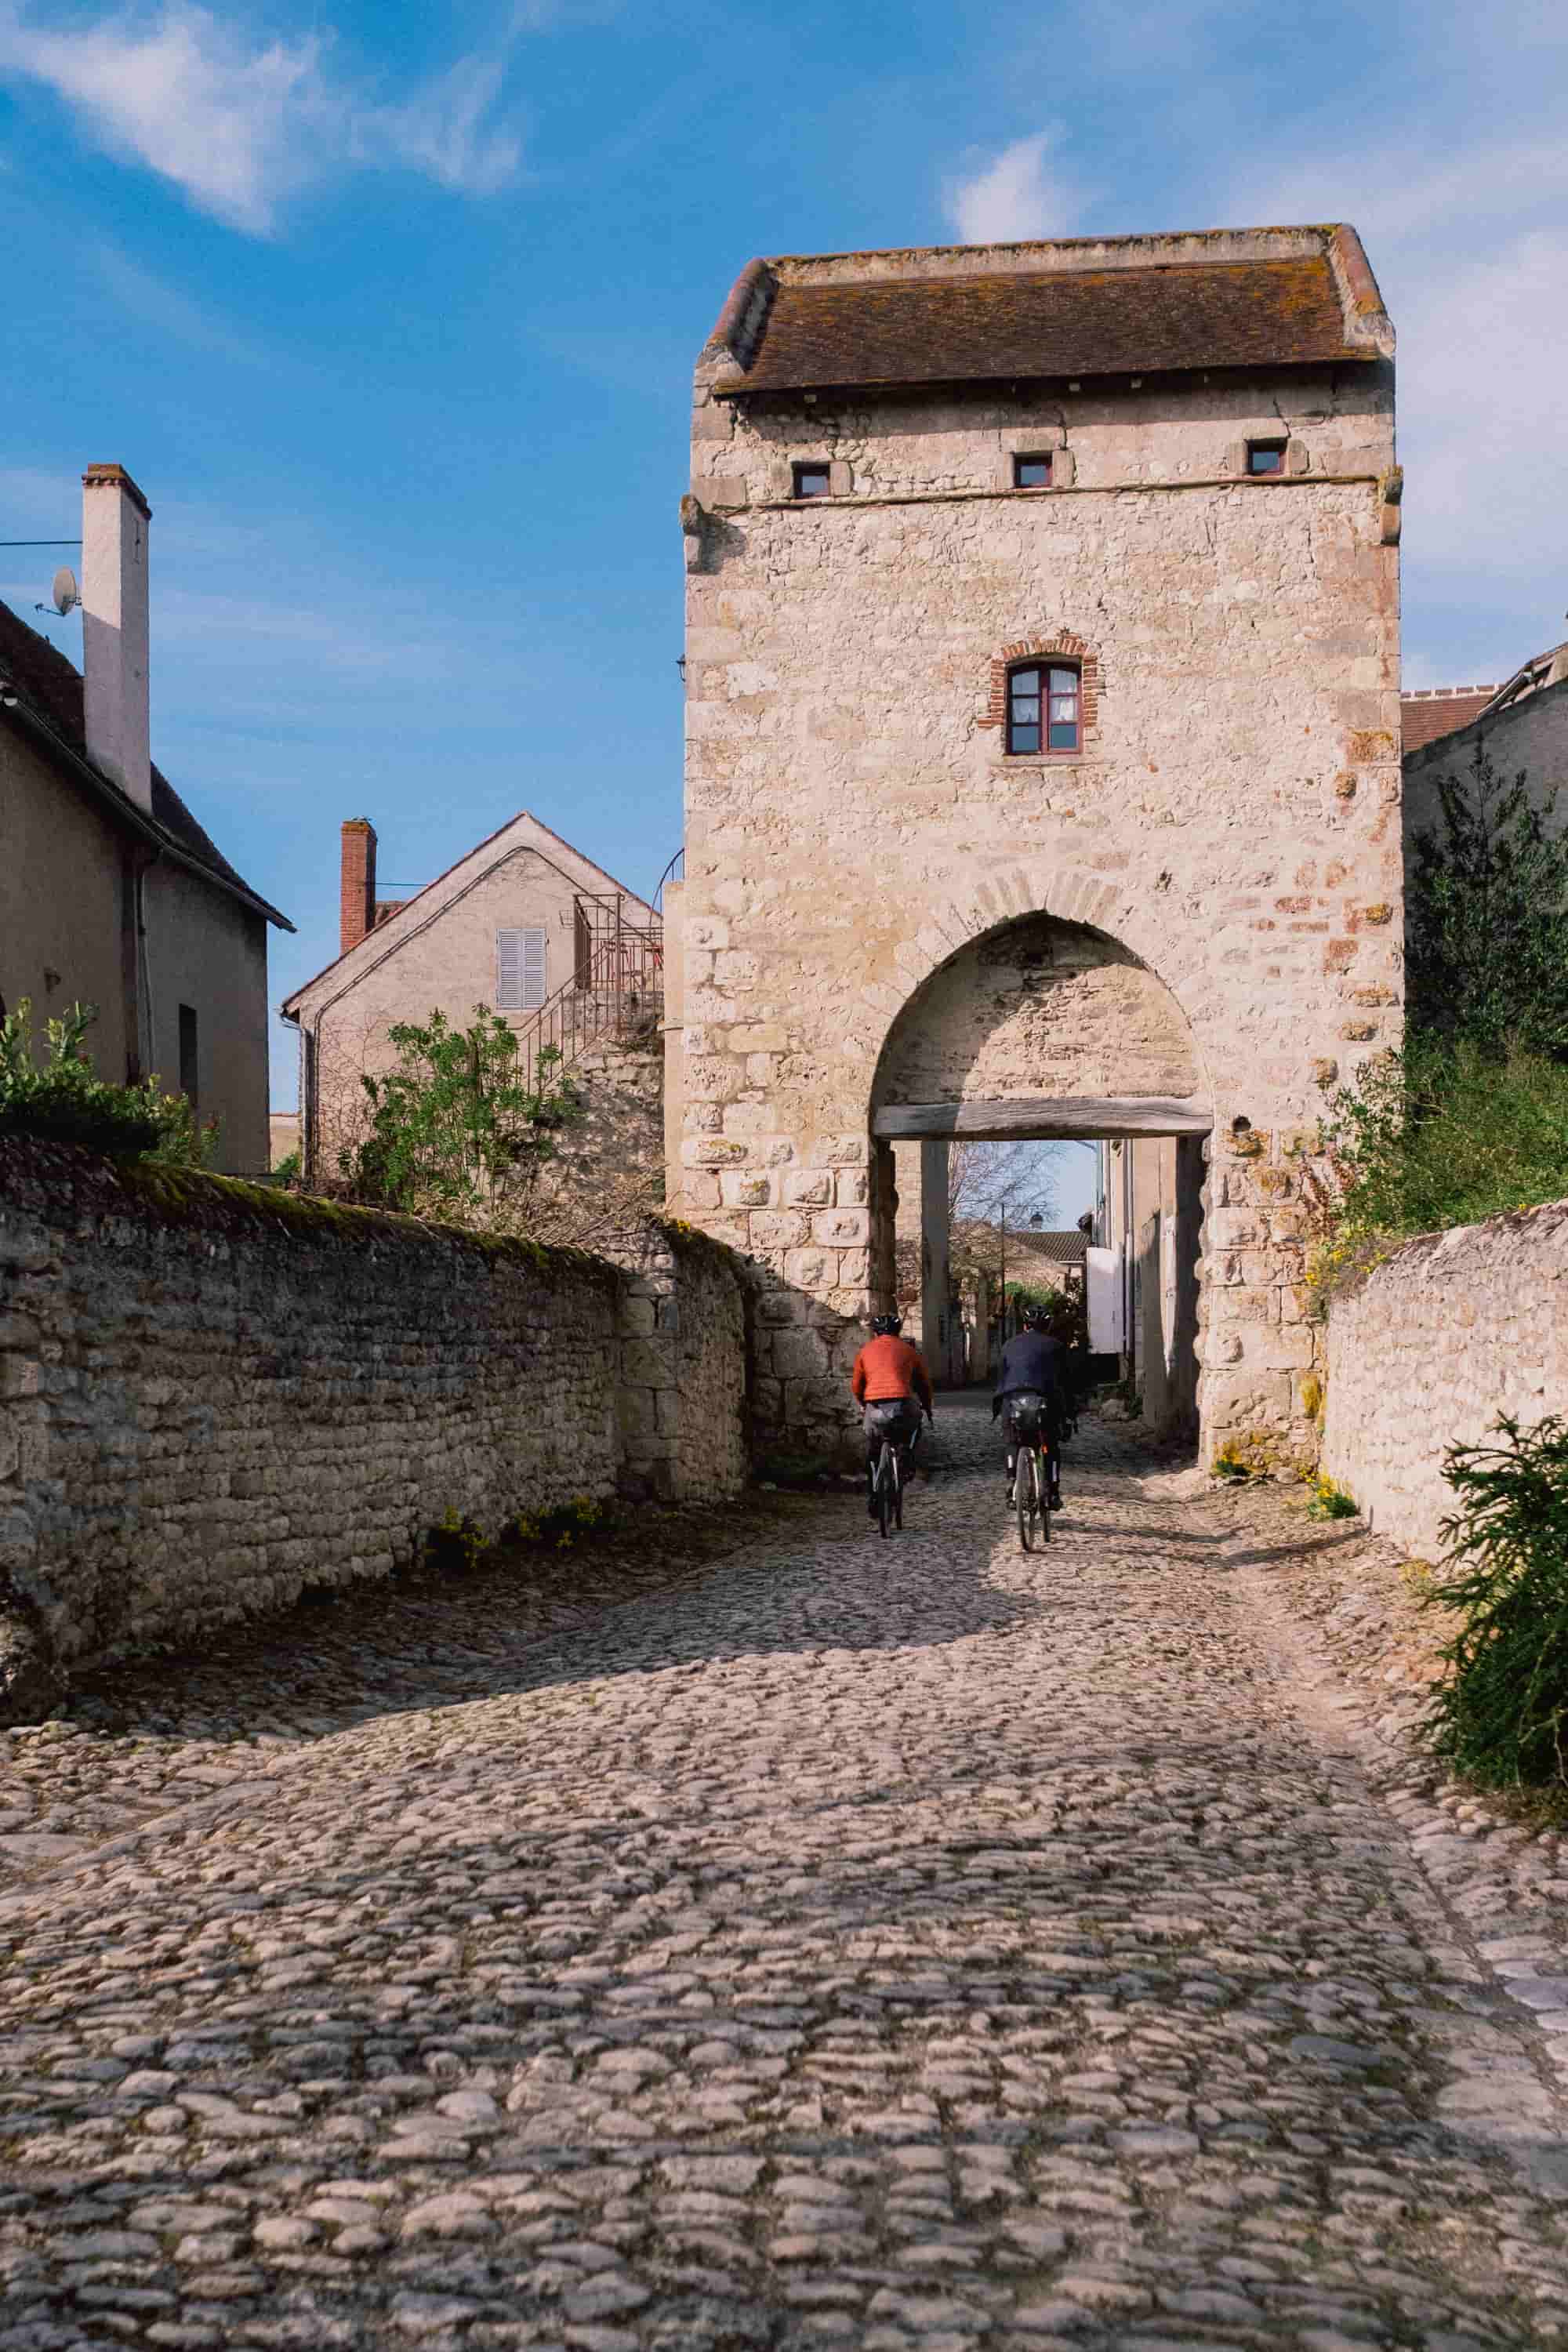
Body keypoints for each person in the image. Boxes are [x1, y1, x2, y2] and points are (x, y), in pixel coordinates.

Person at [850, 1312, 935, 1518]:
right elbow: (923, 1383)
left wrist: (864, 1404)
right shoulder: (909, 1351)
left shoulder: (865, 1351)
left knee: (873, 1452)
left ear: (875, 1332)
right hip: (902, 1406)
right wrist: (927, 1407)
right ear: (898, 1331)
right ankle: (906, 1457)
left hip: (875, 1407)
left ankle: (873, 1495)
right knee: (915, 1426)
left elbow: (856, 1385)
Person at [992, 1302, 1066, 1508]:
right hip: (1045, 1403)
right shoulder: (1056, 1346)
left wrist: (999, 1407)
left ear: (1024, 1326)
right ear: (1048, 1326)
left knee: (1012, 1442)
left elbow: (1001, 1379)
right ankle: (1052, 1490)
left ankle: (1012, 1483)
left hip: (1013, 1401)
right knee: (1051, 1446)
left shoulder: (1008, 1345)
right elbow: (1065, 1382)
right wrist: (1069, 1415)